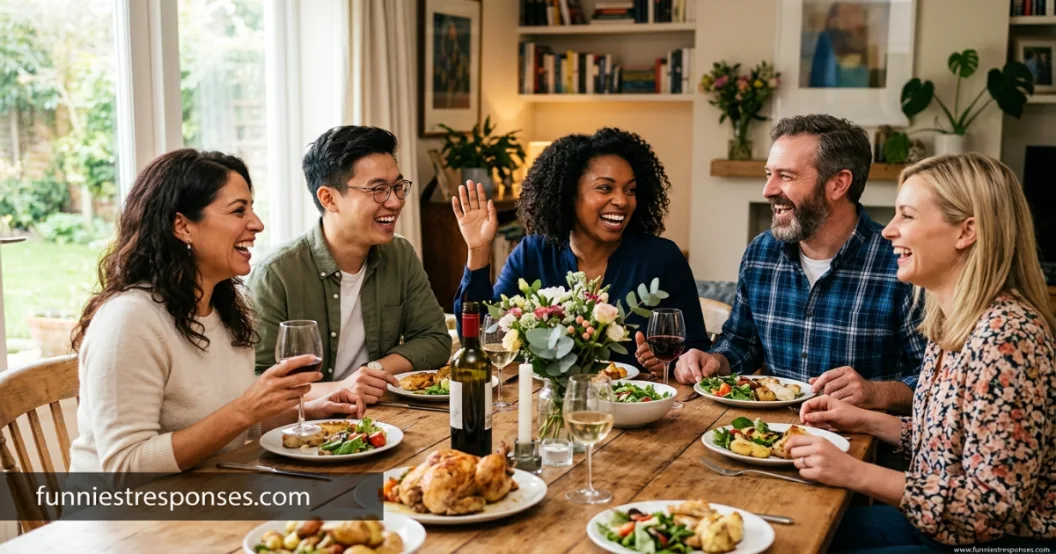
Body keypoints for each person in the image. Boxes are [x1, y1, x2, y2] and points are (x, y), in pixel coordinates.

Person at [787, 153, 1056, 552]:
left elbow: (991, 509)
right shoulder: (951, 321)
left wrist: (853, 472)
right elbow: (948, 444)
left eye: (907, 216)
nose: (888, 231)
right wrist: (867, 421)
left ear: (967, 232)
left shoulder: (1007, 337)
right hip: (935, 527)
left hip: (1000, 543)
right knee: (791, 529)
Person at [69, 149, 364, 474]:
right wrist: (245, 409)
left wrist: (310, 411)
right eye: (239, 211)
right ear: (182, 226)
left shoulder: (229, 310)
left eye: (252, 208)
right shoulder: (129, 320)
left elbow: (232, 430)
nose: (257, 224)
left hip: (209, 489)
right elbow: (126, 467)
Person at [670, 114, 925, 412]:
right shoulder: (761, 253)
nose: (768, 190)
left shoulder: (901, 263)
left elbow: (934, 381)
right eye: (769, 174)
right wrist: (715, 360)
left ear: (838, 184)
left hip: (857, 444)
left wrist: (876, 393)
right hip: (766, 436)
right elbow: (742, 342)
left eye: (786, 176)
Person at [454, 127, 709, 369]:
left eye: (630, 190)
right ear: (569, 193)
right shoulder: (533, 254)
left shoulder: (662, 259)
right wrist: (478, 250)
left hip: (635, 406)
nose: (622, 201)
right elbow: (482, 334)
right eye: (605, 188)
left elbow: (695, 350)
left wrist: (665, 363)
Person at [248, 125, 450, 406]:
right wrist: (340, 388)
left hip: (381, 418)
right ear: (328, 198)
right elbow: (256, 381)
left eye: (397, 187)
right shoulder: (276, 274)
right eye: (378, 190)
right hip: (305, 427)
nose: (394, 202)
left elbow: (435, 339)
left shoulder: (399, 254)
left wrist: (372, 372)